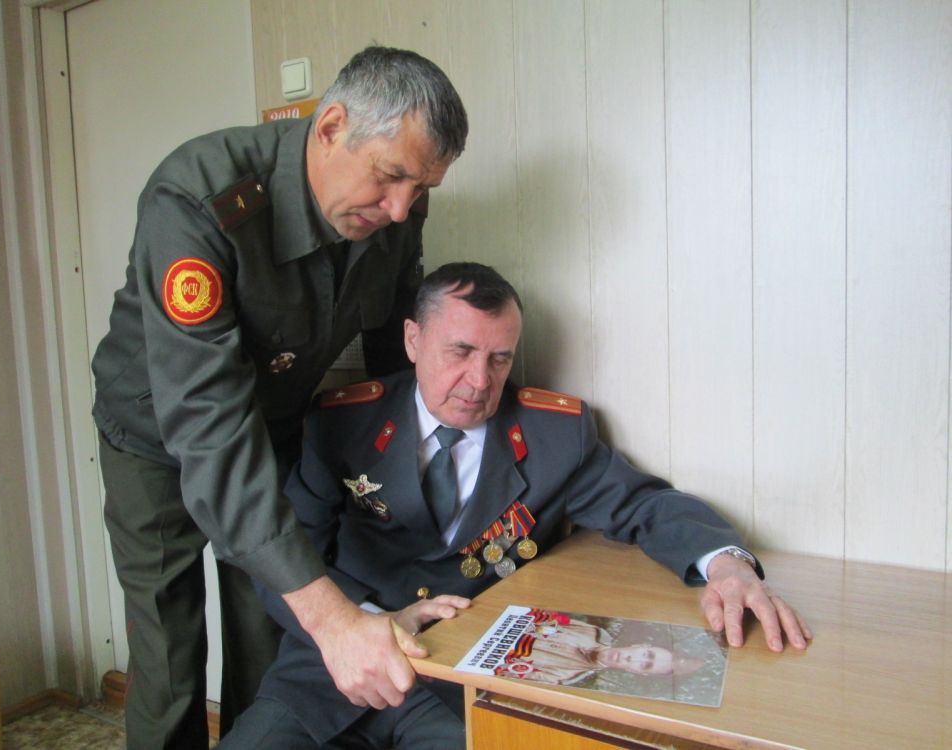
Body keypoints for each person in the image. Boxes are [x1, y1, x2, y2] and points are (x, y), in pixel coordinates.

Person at [217, 262, 811, 749]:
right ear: (413, 340)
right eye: (460, 351)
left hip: (455, 686)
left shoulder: (554, 435)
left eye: (499, 358)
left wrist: (726, 564)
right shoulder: (343, 422)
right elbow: (282, 557)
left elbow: (645, 504)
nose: (480, 380)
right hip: (328, 669)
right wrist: (362, 620)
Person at [90, 47, 468, 748]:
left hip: (274, 426)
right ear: (331, 128)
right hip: (154, 437)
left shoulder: (396, 207)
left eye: (421, 188)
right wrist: (336, 619)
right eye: (391, 177)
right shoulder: (199, 199)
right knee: (169, 653)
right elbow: (208, 426)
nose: (401, 209)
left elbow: (393, 360)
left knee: (269, 632)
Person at [493, 608, 703, 685]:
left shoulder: (566, 676)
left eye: (645, 665)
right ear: (639, 645)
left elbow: (503, 671)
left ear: (637, 672)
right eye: (646, 654)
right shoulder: (593, 631)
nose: (634, 658)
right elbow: (544, 618)